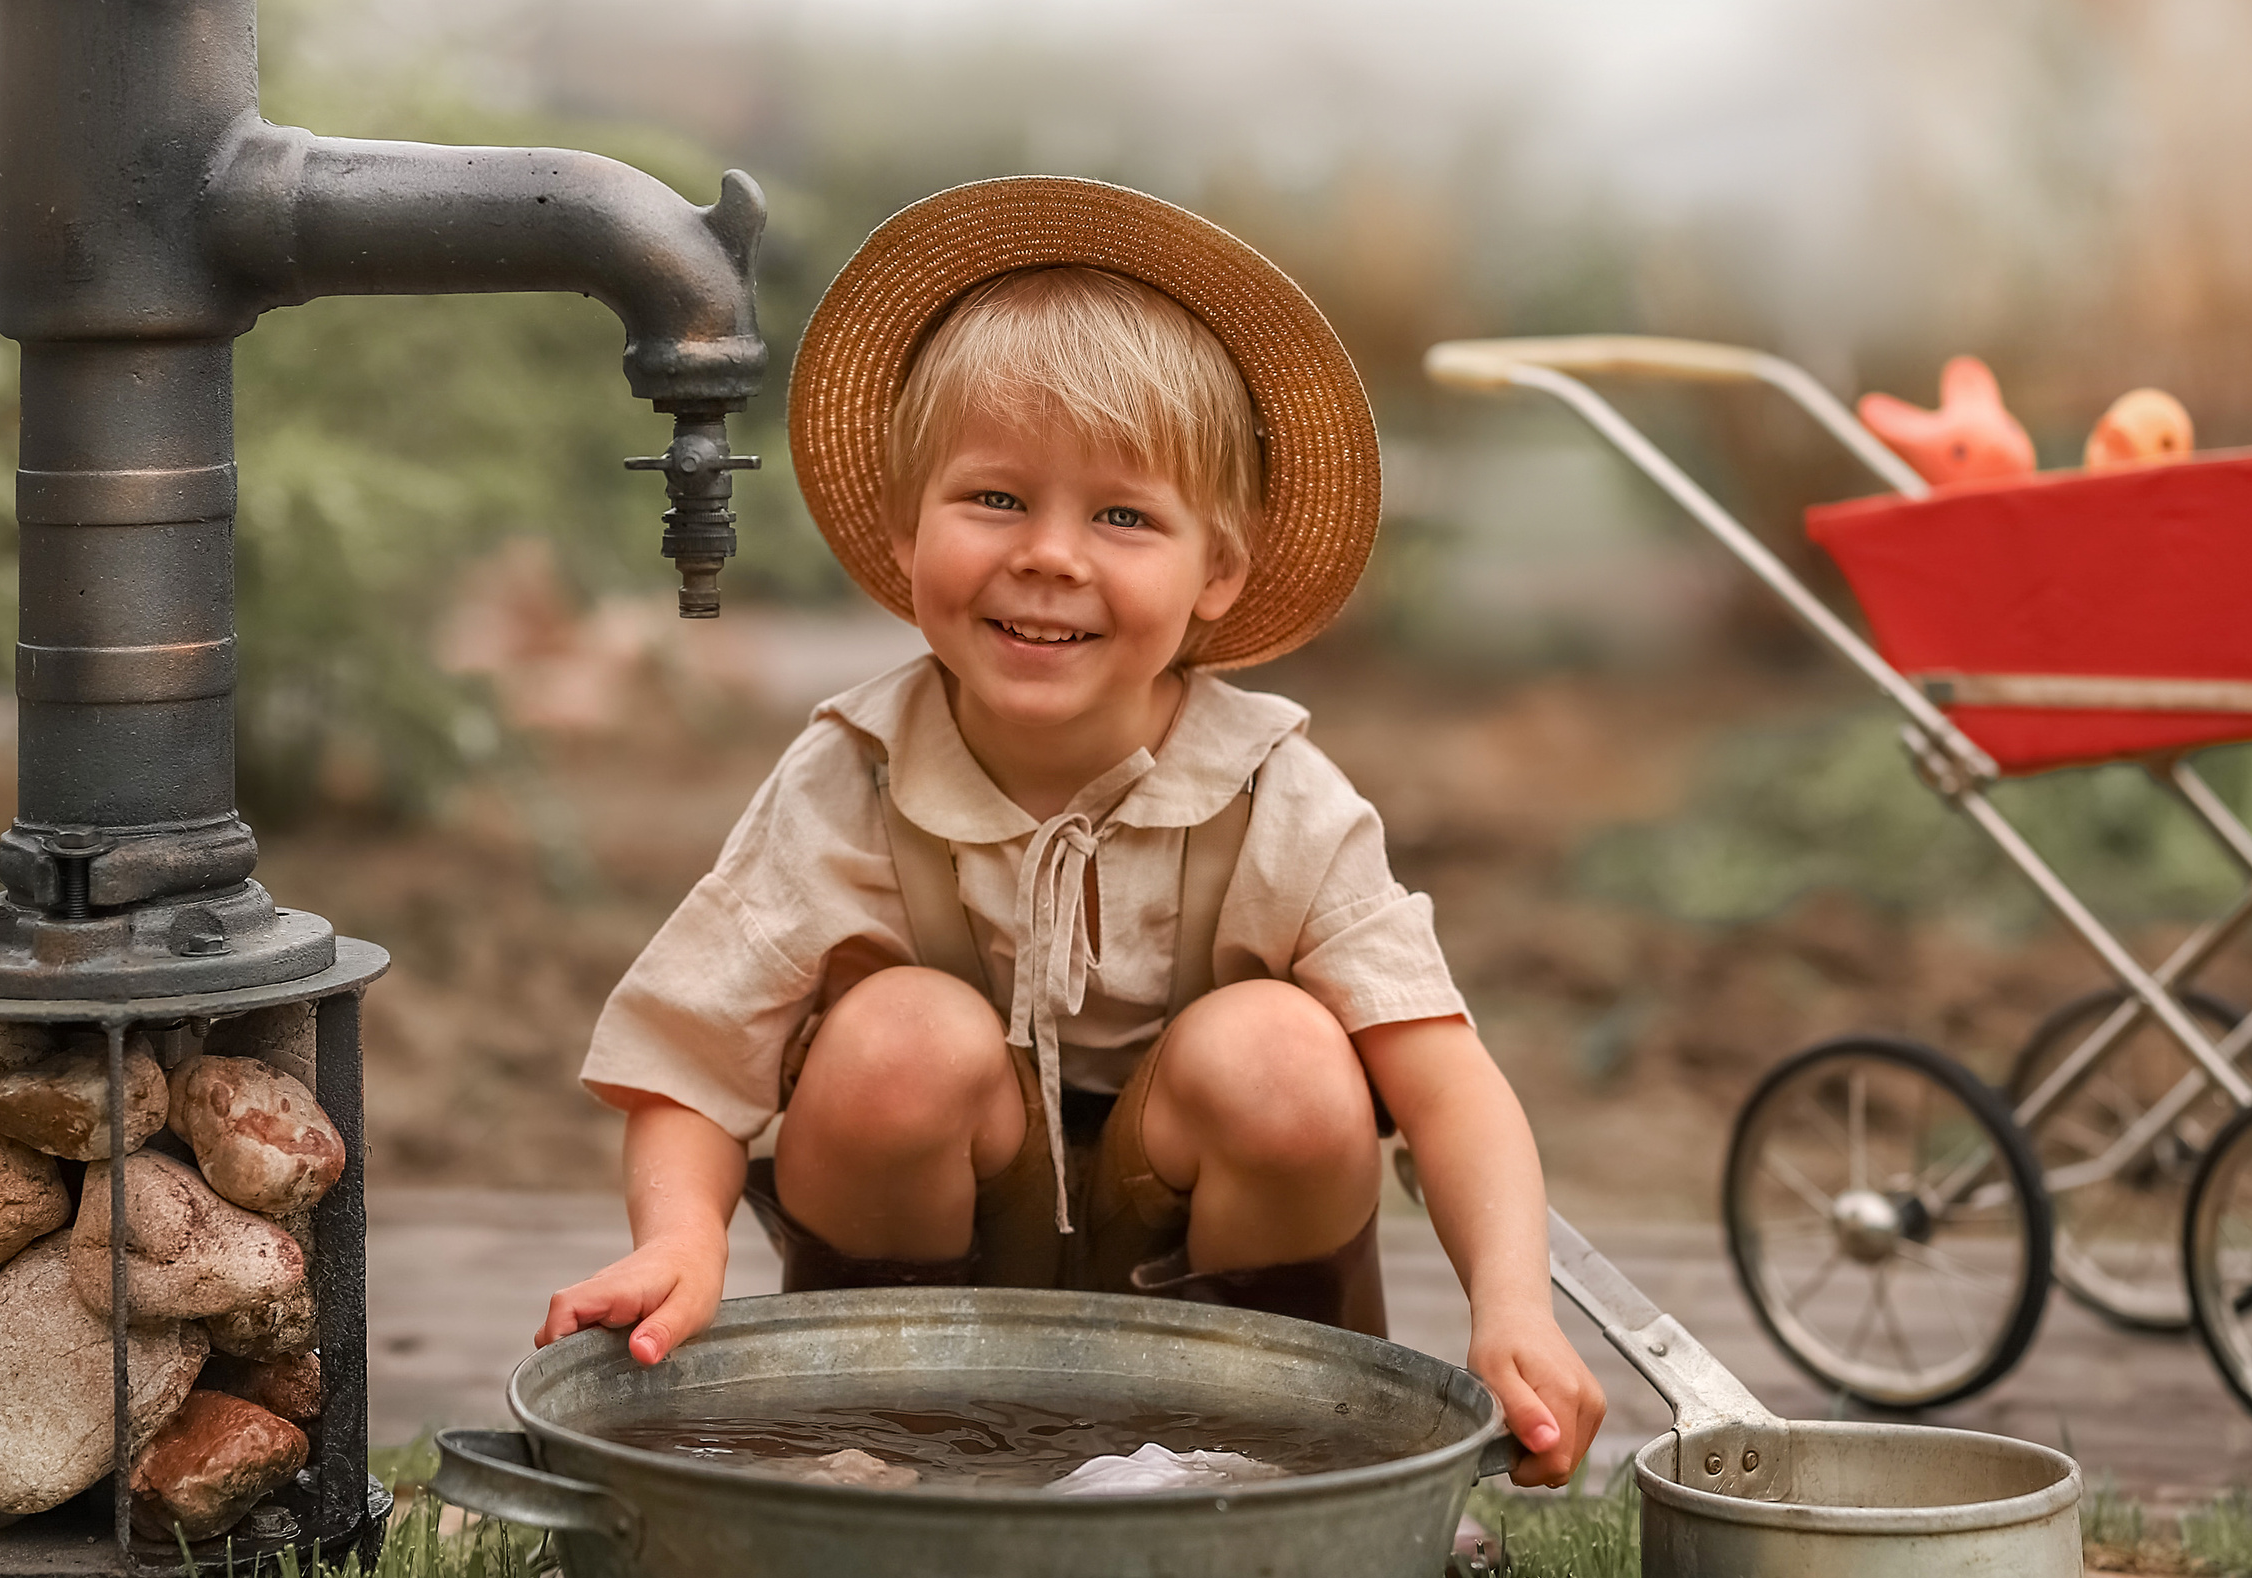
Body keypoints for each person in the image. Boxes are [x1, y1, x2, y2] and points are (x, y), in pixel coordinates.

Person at [537, 178, 1605, 1486]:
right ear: (903, 529)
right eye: (995, 498)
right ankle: (884, 1446)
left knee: (1282, 1053)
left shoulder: (1273, 792)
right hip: (936, 1270)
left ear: (1219, 571)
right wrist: (679, 1238)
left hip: (1213, 1273)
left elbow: (1447, 1081)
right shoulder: (852, 777)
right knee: (897, 1039)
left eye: (1123, 515)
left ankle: (1264, 1457)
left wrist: (1513, 1302)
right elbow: (693, 1058)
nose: (1050, 555)